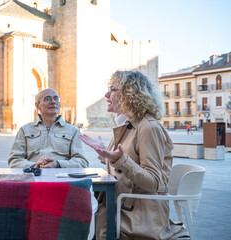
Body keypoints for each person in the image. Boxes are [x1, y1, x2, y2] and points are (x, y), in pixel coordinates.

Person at [79, 71, 188, 240]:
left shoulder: (148, 127)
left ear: (129, 95)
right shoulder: (128, 125)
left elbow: (153, 183)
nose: (106, 95)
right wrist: (104, 153)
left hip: (139, 216)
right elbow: (124, 165)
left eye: (112, 89)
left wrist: (120, 160)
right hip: (122, 206)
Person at [8, 88, 88, 168]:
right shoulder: (25, 130)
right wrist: (34, 166)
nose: (53, 102)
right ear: (37, 105)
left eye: (56, 98)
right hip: (34, 177)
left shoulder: (73, 131)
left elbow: (82, 161)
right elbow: (15, 160)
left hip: (63, 177)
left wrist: (58, 164)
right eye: (47, 99)